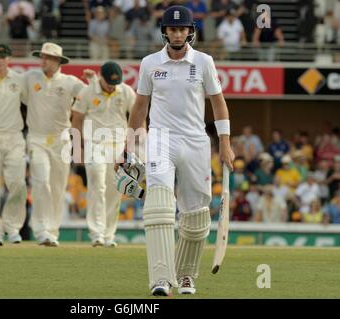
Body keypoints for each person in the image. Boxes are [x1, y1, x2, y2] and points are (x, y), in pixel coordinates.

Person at [115, 6, 235, 296]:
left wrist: (225, 143)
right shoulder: (150, 63)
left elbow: (218, 103)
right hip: (161, 139)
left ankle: (185, 276)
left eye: (183, 29)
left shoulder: (204, 62)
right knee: (158, 205)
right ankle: (159, 279)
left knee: (195, 217)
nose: (178, 33)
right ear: (165, 31)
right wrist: (128, 147)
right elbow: (140, 107)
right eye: (173, 28)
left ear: (190, 31)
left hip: (196, 142)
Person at [24, 42, 86, 247]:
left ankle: (52, 230)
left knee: (58, 187)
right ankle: (41, 230)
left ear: (58, 61)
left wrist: (93, 84)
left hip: (61, 139)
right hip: (37, 138)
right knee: (41, 182)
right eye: (42, 56)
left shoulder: (70, 82)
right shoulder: (30, 77)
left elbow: (90, 95)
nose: (43, 60)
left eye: (48, 57)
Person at [71, 61, 136, 247]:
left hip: (118, 145)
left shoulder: (126, 91)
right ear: (100, 77)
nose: (112, 86)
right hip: (95, 144)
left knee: (115, 190)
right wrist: (78, 149)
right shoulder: (88, 91)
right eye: (108, 82)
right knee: (97, 185)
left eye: (115, 83)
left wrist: (133, 146)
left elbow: (137, 114)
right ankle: (96, 233)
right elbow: (76, 120)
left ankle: (109, 235)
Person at [0, 43, 28, 246]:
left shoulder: (19, 79)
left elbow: (36, 100)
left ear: (8, 59)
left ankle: (12, 228)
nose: (0, 60)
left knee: (17, 183)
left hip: (14, 137)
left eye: (4, 57)